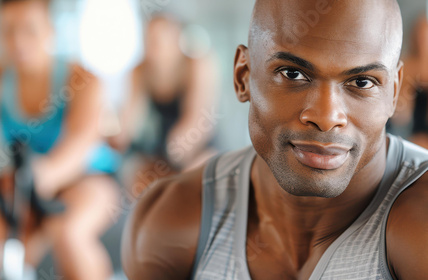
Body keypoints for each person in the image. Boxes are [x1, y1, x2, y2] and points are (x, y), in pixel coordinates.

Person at [122, 0, 428, 279]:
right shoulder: (169, 220)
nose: (325, 115)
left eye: (362, 82)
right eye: (292, 74)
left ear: (394, 91)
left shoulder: (418, 222)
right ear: (243, 76)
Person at [0, 0, 119, 279]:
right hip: (26, 183)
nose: (18, 40)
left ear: (50, 31)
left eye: (29, 30)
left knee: (68, 233)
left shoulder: (83, 80)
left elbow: (79, 146)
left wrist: (38, 179)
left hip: (89, 178)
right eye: (8, 30)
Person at [111, 15, 217, 198]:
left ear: (176, 39)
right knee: (140, 182)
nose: (152, 48)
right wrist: (119, 136)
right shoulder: (140, 70)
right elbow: (130, 117)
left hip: (198, 141)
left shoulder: (197, 64)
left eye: (157, 41)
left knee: (190, 182)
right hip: (162, 144)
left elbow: (197, 118)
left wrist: (175, 158)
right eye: (148, 40)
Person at [391, 15, 428, 148]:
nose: (423, 42)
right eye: (421, 37)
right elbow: (400, 117)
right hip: (407, 133)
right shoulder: (405, 65)